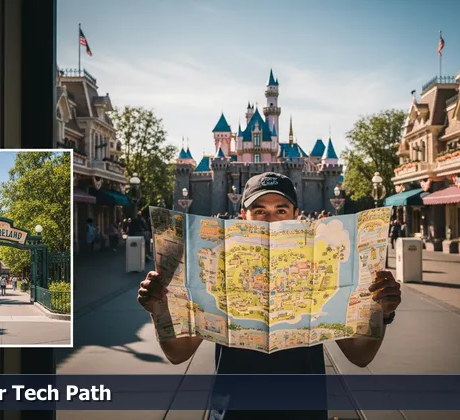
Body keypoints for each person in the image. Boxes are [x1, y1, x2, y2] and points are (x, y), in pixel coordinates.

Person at [138, 172, 402, 420]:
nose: (270, 220)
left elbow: (360, 355)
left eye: (281, 211)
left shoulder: (324, 271)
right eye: (260, 211)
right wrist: (158, 310)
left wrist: (382, 311)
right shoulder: (216, 272)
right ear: (243, 217)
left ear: (297, 216)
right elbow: (178, 353)